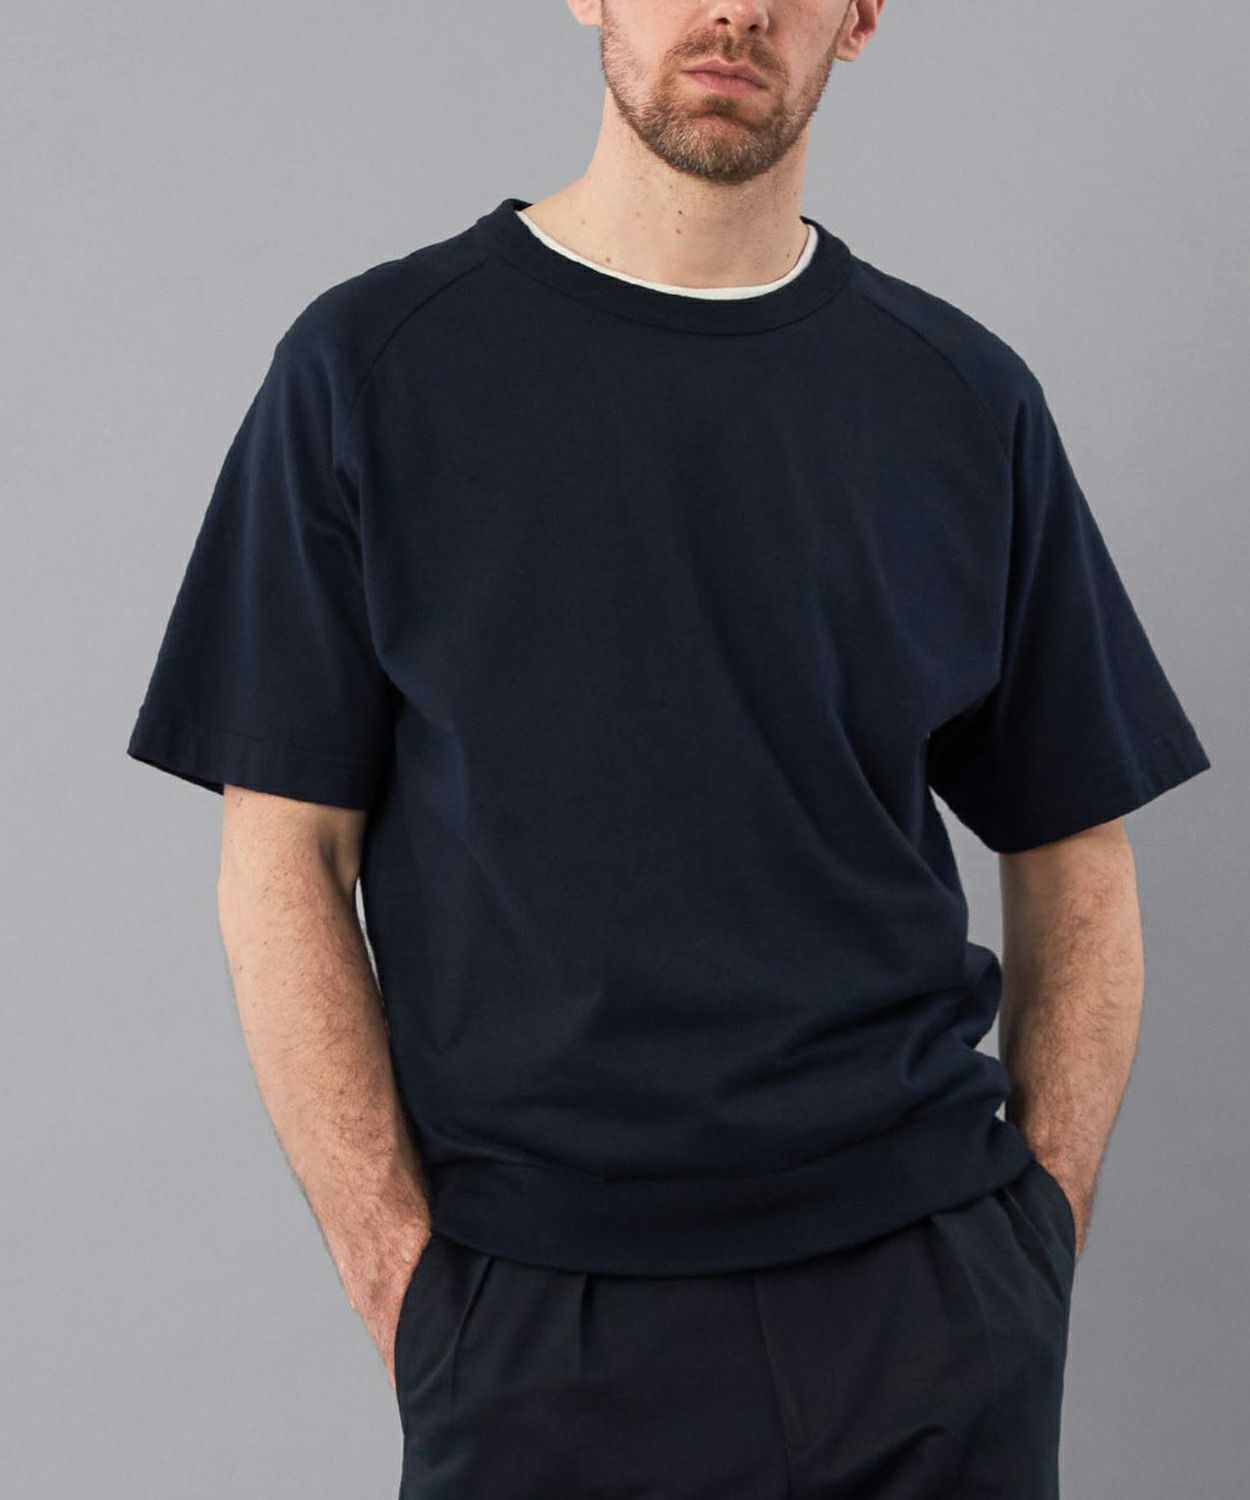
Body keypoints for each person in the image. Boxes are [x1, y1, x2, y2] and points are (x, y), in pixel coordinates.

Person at [125, 1, 1213, 1495]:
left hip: (931, 1307)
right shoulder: (372, 368)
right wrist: (404, 1283)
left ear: (860, 16)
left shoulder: (960, 397)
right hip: (541, 1321)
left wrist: (1036, 1248)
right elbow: (282, 860)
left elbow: (1076, 847)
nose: (735, 10)